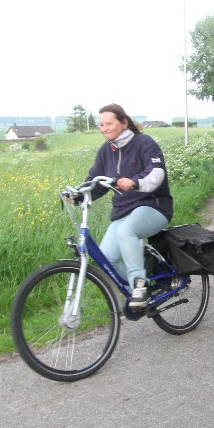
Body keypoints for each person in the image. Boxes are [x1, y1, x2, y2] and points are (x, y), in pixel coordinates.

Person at [85, 104, 173, 310]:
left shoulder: (144, 143)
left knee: (126, 231)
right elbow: (95, 181)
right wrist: (79, 194)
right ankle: (138, 293)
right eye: (101, 125)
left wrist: (135, 182)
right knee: (106, 258)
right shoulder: (105, 151)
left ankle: (140, 285)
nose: (104, 129)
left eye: (109, 123)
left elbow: (156, 173)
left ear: (124, 122)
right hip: (123, 212)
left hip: (153, 206)